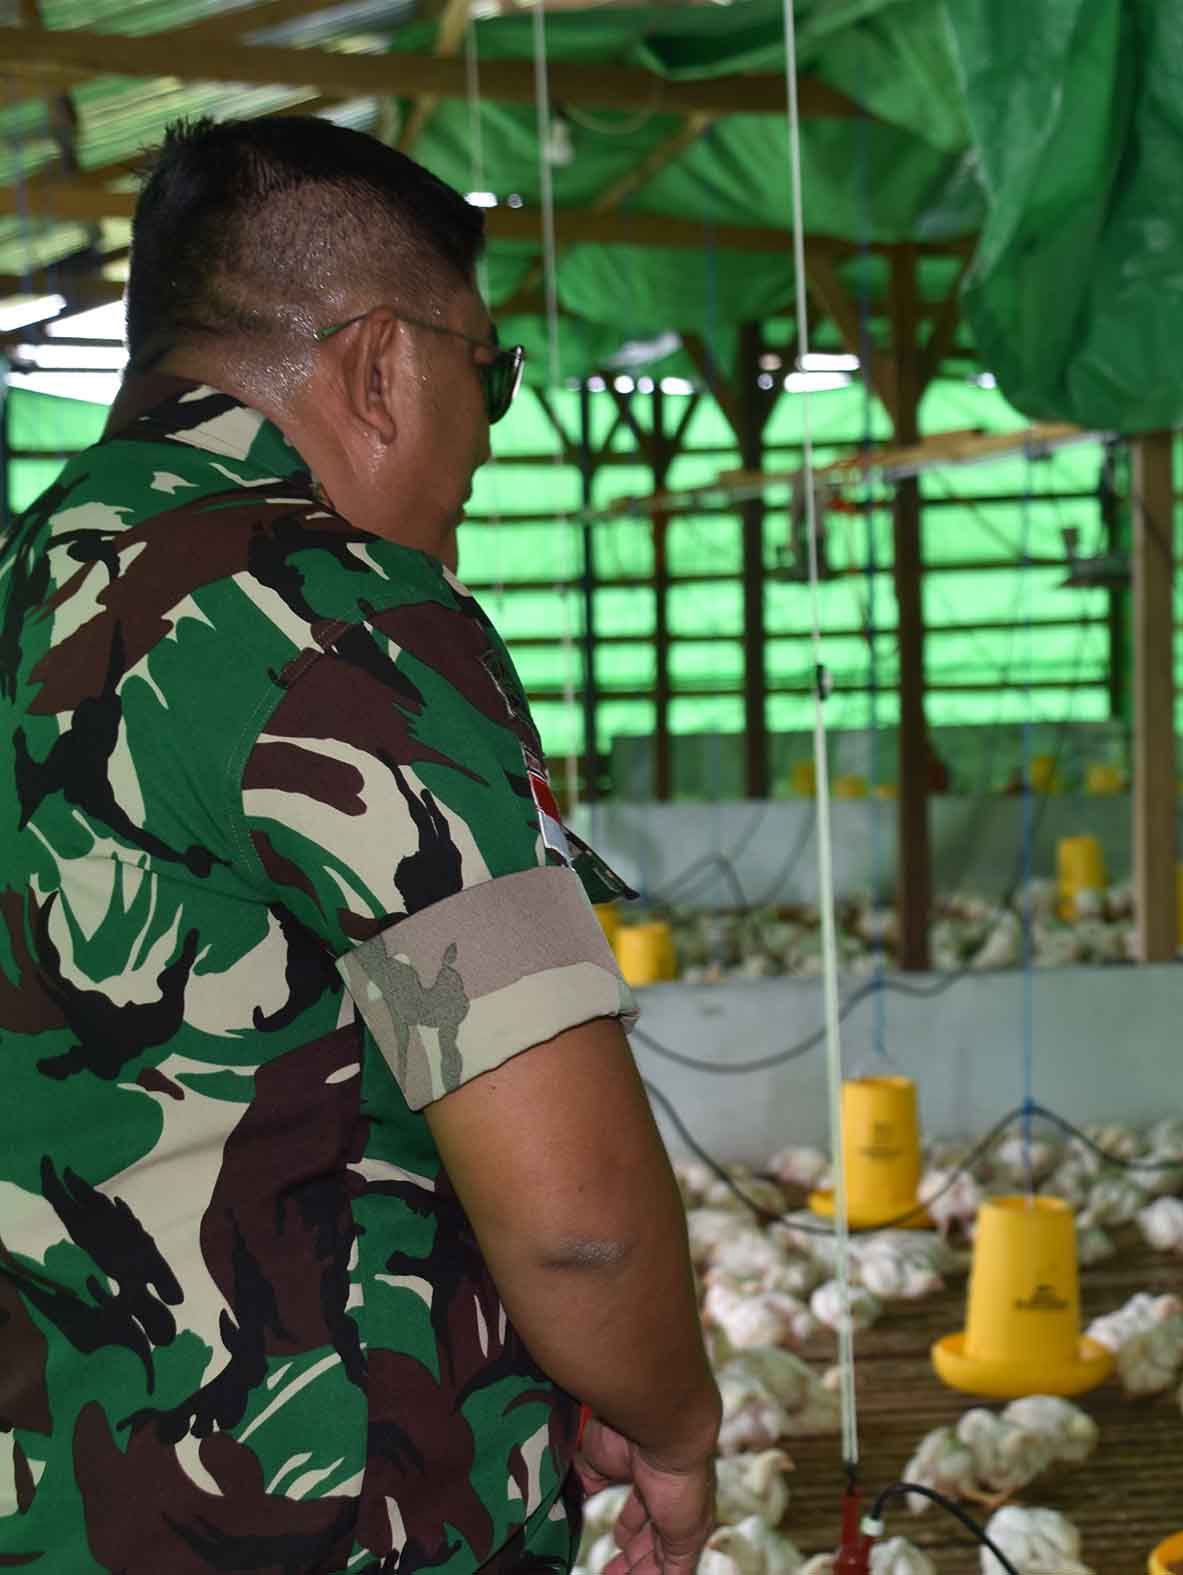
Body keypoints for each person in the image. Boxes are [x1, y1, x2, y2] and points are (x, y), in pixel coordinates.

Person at [0, 117, 720, 1574]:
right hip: (310, 1512)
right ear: (383, 365)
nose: (487, 438)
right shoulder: (344, 617)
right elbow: (577, 1220)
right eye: (490, 375)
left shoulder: (28, 584)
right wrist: (674, 1422)